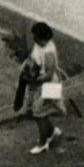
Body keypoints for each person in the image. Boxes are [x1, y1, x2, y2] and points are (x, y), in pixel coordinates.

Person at [26, 22, 66, 155]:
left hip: (49, 86)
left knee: (39, 114)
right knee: (39, 112)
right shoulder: (40, 45)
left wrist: (33, 80)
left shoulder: (49, 52)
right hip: (42, 85)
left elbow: (48, 75)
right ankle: (51, 131)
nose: (34, 39)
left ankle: (43, 142)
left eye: (35, 37)